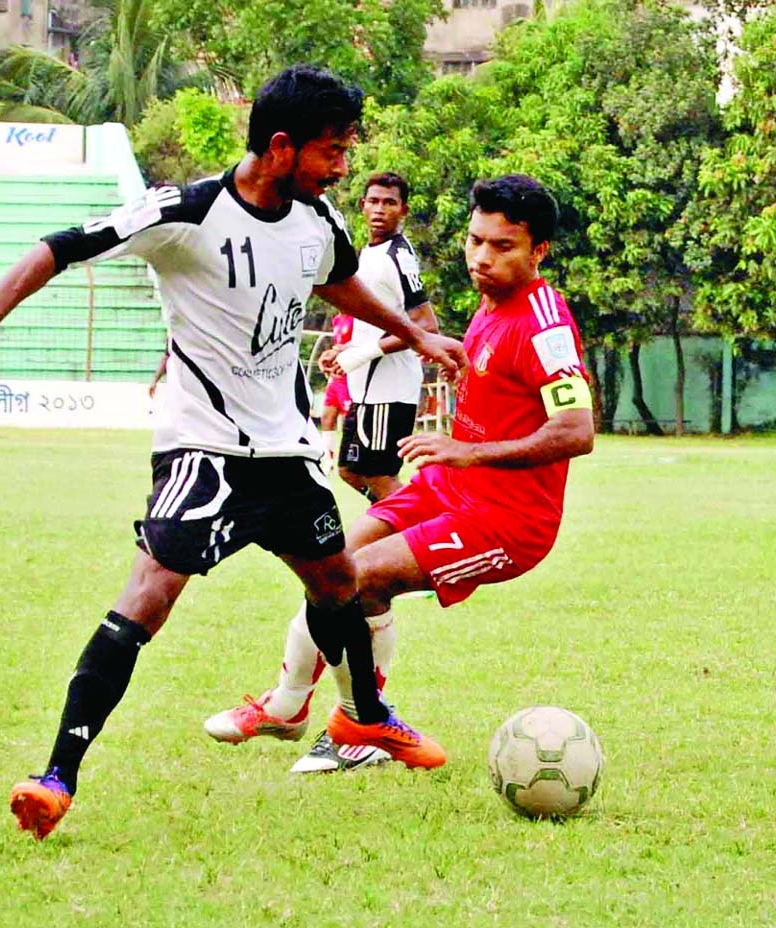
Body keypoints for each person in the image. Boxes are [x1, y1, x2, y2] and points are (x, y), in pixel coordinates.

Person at [0, 65, 469, 840]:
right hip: (204, 450)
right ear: (280, 147)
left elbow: (338, 282)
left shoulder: (320, 222)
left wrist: (416, 333)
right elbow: (60, 247)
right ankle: (56, 777)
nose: (343, 166)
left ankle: (367, 719)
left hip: (286, 453)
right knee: (149, 595)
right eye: (332, 150)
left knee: (339, 582)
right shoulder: (187, 213)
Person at [204, 174, 595, 774]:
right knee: (330, 568)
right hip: (449, 490)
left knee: (360, 581)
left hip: (506, 521)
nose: (482, 258)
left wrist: (467, 452)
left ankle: (358, 731)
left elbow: (576, 431)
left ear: (539, 250)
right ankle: (290, 709)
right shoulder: (493, 305)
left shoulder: (545, 323)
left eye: (502, 246)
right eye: (475, 242)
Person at [326, 171, 437, 502]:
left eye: (389, 203)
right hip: (366, 390)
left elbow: (425, 326)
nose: (379, 209)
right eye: (373, 201)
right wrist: (346, 348)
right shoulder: (369, 253)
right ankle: (398, 525)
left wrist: (361, 355)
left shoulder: (397, 256)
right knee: (349, 471)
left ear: (403, 210)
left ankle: (420, 532)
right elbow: (380, 322)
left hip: (389, 389)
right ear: (362, 206)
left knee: (379, 475)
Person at [317, 312, 353, 473]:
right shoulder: (338, 319)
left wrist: (341, 351)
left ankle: (351, 458)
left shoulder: (358, 318)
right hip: (336, 377)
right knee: (326, 417)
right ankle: (327, 459)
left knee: (350, 420)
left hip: (351, 376)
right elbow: (338, 345)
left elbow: (364, 342)